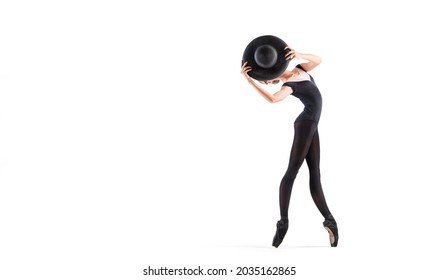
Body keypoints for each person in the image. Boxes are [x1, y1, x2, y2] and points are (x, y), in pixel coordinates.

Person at [241, 45, 338, 248]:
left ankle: (329, 220)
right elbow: (273, 99)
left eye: (266, 79)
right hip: (305, 124)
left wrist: (299, 54)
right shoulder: (288, 86)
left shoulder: (301, 70)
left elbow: (318, 59)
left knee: (315, 174)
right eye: (265, 81)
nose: (268, 83)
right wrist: (249, 81)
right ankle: (283, 222)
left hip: (311, 125)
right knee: (291, 172)